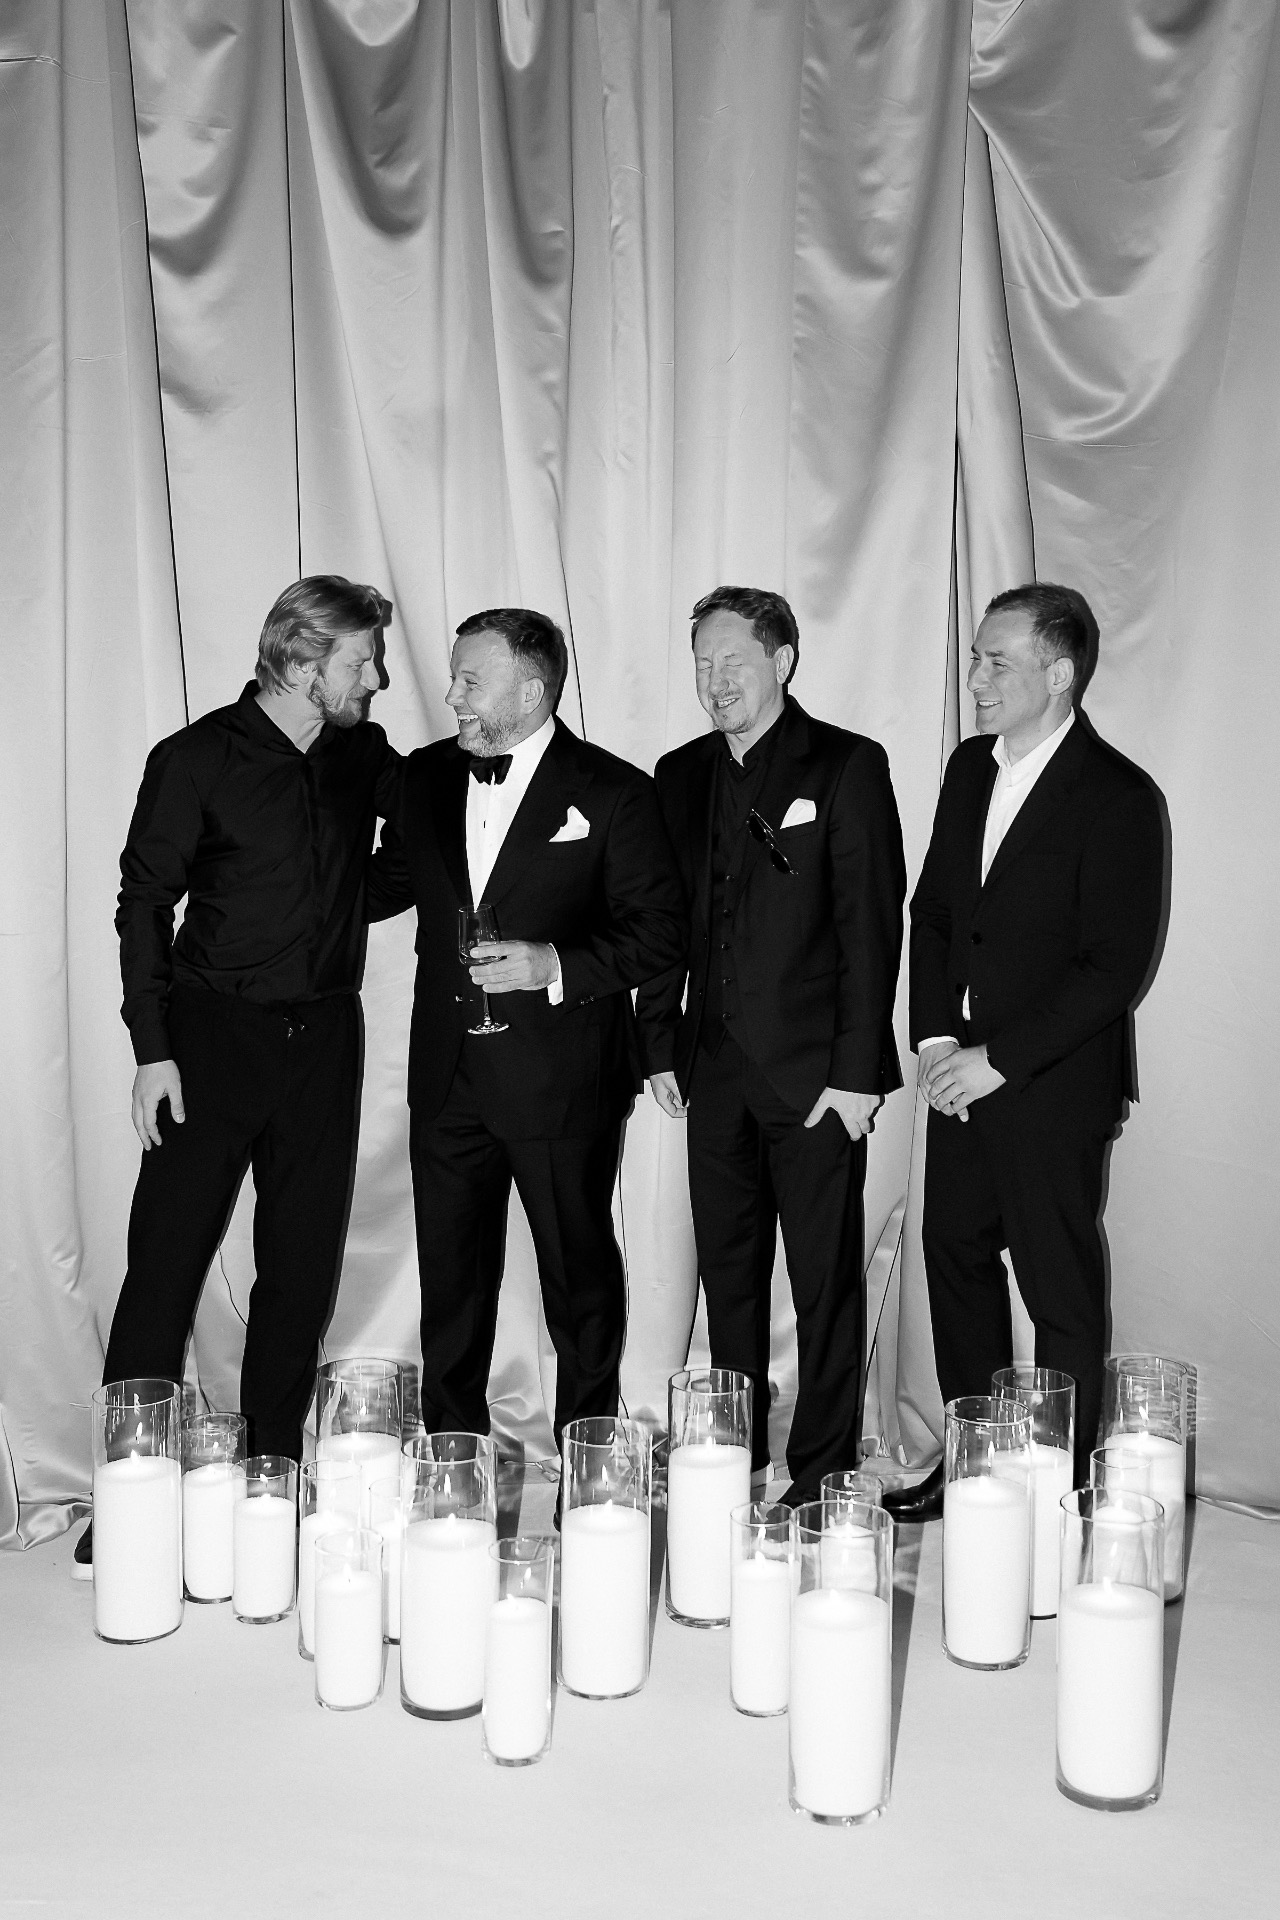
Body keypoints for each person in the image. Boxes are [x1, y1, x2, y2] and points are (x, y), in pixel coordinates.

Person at [75, 576, 396, 1572]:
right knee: (165, 1266)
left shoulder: (362, 756)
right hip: (209, 1041)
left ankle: (271, 1478)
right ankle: (125, 1498)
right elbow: (142, 904)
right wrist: (152, 1048)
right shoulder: (195, 758)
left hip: (324, 1040)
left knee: (300, 1269)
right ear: (301, 660)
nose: (376, 679)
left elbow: (408, 853)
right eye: (359, 661)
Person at [367, 608, 685, 1453]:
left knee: (578, 1282)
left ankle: (589, 1461)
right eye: (455, 677)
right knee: (451, 1288)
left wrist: (555, 963)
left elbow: (660, 933)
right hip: (446, 1077)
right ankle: (452, 1462)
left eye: (471, 681)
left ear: (532, 690)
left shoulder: (614, 792)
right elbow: (378, 885)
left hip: (562, 1077)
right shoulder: (425, 776)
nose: (451, 696)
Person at [883, 582, 1165, 1522]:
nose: (975, 677)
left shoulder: (1120, 795)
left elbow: (1112, 967)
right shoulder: (968, 767)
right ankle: (977, 1478)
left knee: (1058, 1291)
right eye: (975, 656)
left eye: (996, 661)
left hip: (1050, 1086)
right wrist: (935, 1040)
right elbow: (934, 911)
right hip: (955, 1073)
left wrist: (995, 1058)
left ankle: (1061, 1492)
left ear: (1059, 673)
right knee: (954, 1261)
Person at [635, 586, 906, 1504]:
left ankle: (824, 1469)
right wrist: (657, 1041)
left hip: (816, 1078)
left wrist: (857, 1073)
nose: (716, 681)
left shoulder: (847, 764)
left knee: (824, 1281)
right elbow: (661, 921)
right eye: (703, 664)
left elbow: (871, 927)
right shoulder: (677, 774)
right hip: (710, 1068)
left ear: (782, 662)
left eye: (734, 662)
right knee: (729, 1274)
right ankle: (734, 1454)